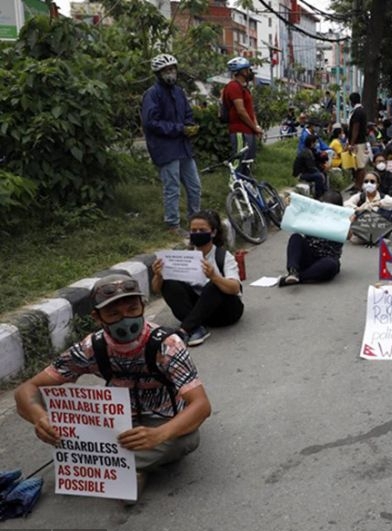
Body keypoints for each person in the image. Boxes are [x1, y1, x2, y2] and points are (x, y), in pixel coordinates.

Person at [14, 274, 210, 494]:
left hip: (162, 419)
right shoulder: (91, 348)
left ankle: (105, 464)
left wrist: (160, 434)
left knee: (186, 438)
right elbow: (27, 389)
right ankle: (124, 466)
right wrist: (40, 418)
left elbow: (200, 405)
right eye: (113, 313)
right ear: (97, 317)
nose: (125, 319)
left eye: (132, 309)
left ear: (142, 307)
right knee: (58, 420)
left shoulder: (167, 345)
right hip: (116, 422)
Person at [152, 210, 242, 346]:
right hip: (198, 312)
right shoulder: (183, 257)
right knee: (169, 283)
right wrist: (158, 275)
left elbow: (235, 289)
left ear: (213, 232)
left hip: (225, 312)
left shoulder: (223, 256)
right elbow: (157, 289)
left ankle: (184, 329)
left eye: (202, 230)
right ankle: (196, 328)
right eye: (194, 230)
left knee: (214, 285)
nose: (197, 234)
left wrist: (214, 277)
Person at [141, 54, 202, 239]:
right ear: (159, 73)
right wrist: (179, 129)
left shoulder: (179, 92)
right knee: (172, 187)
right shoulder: (152, 94)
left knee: (194, 186)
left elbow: (187, 113)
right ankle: (172, 225)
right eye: (167, 70)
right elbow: (151, 122)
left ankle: (195, 220)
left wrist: (190, 126)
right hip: (165, 148)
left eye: (173, 69)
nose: (171, 73)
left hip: (183, 147)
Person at [279, 191, 344, 287]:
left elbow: (350, 235)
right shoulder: (313, 216)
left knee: (331, 265)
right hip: (309, 254)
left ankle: (299, 278)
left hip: (326, 258)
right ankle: (293, 271)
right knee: (296, 237)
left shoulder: (342, 222)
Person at [223, 57, 263, 175]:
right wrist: (254, 127)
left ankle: (246, 188)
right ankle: (235, 188)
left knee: (248, 162)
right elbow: (241, 111)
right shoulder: (233, 87)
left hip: (249, 131)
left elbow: (251, 110)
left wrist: (256, 126)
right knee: (239, 162)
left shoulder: (245, 88)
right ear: (242, 72)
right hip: (239, 131)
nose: (250, 73)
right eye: (248, 70)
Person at [293, 134, 328, 199]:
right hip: (301, 174)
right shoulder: (306, 152)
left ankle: (325, 193)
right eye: (316, 142)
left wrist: (324, 157)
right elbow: (311, 167)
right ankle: (319, 196)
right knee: (319, 176)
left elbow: (318, 158)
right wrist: (319, 171)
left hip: (307, 171)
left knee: (323, 173)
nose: (317, 144)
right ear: (312, 143)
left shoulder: (311, 150)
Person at [347, 92, 369, 191]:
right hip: (361, 141)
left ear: (351, 101)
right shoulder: (362, 111)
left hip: (358, 142)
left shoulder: (357, 112)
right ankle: (357, 184)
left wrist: (352, 143)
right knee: (357, 165)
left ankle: (359, 186)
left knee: (360, 166)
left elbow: (355, 128)